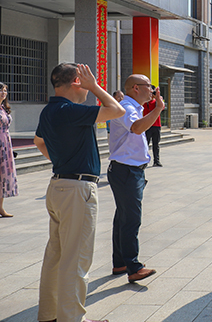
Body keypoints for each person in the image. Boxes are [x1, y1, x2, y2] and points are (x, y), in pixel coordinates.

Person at [34, 63, 125, 322]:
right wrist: (94, 86)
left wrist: (61, 160)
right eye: (84, 81)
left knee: (56, 255)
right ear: (77, 81)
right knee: (76, 259)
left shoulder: (49, 110)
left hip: (58, 185)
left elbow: (38, 141)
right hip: (77, 189)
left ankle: (49, 314)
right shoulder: (70, 110)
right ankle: (72, 318)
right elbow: (116, 110)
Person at [107, 74, 164, 283]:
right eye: (149, 86)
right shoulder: (126, 107)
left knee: (123, 217)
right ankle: (133, 267)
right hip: (126, 171)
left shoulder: (134, 107)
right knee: (131, 219)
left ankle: (120, 262)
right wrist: (158, 109)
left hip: (129, 170)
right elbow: (137, 128)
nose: (152, 90)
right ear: (135, 88)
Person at [0, 82, 18, 217]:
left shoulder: (3, 108)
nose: (3, 93)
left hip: (5, 143)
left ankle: (0, 207)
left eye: (5, 91)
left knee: (4, 175)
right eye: (1, 90)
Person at [142, 96, 162, 167]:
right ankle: (144, 161)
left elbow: (162, 107)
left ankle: (156, 161)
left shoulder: (157, 102)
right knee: (145, 144)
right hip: (147, 125)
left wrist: (158, 98)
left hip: (157, 125)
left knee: (156, 144)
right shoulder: (145, 102)